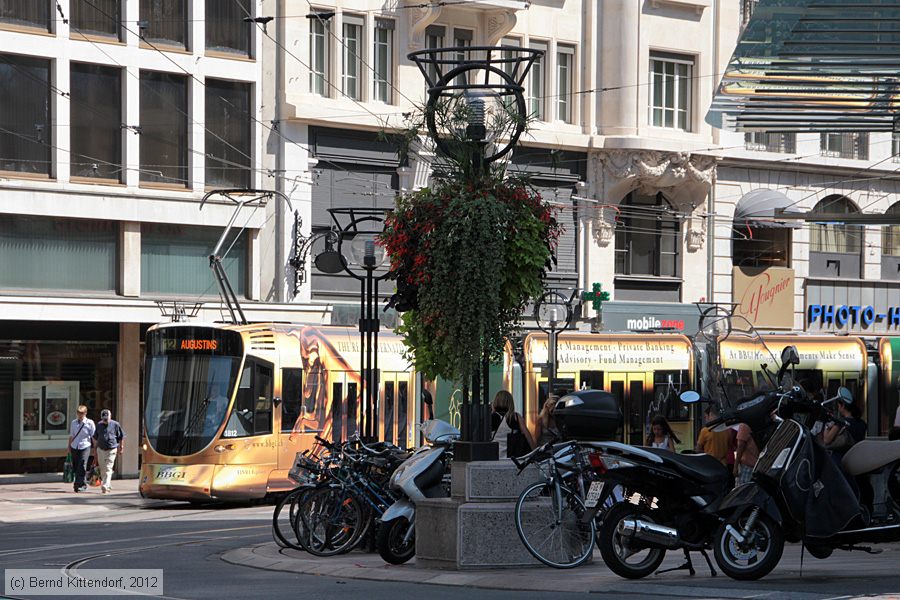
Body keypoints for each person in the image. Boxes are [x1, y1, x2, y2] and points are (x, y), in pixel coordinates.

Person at [491, 390, 534, 459]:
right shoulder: (516, 417)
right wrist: (535, 451)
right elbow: (527, 435)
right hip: (512, 457)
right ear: (510, 402)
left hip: (493, 457)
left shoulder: (490, 417)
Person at [92, 409, 125, 494]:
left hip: (111, 449)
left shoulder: (115, 425)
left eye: (107, 418)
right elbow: (95, 437)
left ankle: (105, 485)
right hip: (101, 449)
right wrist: (95, 450)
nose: (105, 420)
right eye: (104, 419)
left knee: (108, 468)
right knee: (103, 469)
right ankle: (108, 484)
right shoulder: (99, 425)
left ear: (110, 417)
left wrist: (121, 447)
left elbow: (121, 436)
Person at [68, 405, 95, 493]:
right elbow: (71, 436)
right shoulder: (73, 423)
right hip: (74, 446)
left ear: (85, 413)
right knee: (76, 466)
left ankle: (80, 484)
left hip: (85, 445)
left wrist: (95, 448)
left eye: (82, 413)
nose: (80, 415)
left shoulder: (89, 422)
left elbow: (93, 436)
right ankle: (80, 483)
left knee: (82, 464)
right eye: (79, 413)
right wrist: (68, 447)